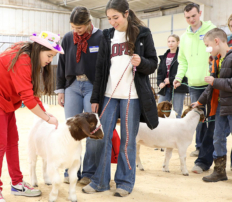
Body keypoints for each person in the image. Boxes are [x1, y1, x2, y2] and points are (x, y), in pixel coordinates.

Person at [0, 31, 64, 202]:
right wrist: (46, 118)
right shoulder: (24, 59)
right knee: (0, 143)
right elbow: (28, 99)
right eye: (49, 55)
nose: (50, 60)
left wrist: (45, 112)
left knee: (12, 141)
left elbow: (29, 92)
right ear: (39, 49)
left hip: (6, 99)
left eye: (53, 57)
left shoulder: (29, 57)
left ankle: (17, 183)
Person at [82, 0, 158, 197]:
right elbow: (100, 69)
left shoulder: (143, 33)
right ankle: (99, 181)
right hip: (108, 95)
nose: (112, 22)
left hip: (131, 97)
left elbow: (152, 63)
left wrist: (141, 62)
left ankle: (124, 182)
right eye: (109, 18)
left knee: (127, 141)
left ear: (126, 14)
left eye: (115, 17)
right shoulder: (107, 36)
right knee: (101, 138)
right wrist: (95, 97)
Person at [56, 6, 103, 185]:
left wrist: (97, 95)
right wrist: (61, 89)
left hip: (92, 86)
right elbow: (61, 64)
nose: (76, 30)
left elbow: (102, 69)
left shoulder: (99, 37)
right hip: (72, 86)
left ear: (89, 23)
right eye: (73, 27)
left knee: (92, 128)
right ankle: (71, 171)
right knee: (72, 129)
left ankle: (89, 173)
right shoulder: (68, 38)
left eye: (80, 27)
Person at [173, 3, 216, 173]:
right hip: (194, 85)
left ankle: (203, 161)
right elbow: (182, 60)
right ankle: (200, 149)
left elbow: (215, 54)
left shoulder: (211, 30)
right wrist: (178, 77)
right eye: (187, 17)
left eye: (193, 16)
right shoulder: (183, 37)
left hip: (210, 83)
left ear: (200, 13)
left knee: (211, 123)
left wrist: (214, 75)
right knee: (199, 122)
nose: (191, 20)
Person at [192, 28, 232, 182]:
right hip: (221, 106)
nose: (206, 49)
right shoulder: (217, 60)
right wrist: (200, 101)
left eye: (207, 45)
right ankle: (220, 171)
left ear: (217, 41)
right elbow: (211, 87)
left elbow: (216, 83)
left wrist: (215, 81)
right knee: (217, 137)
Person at [157, 34, 189, 118]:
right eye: (169, 41)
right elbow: (160, 72)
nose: (170, 43)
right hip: (165, 88)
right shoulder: (164, 57)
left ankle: (178, 130)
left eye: (173, 41)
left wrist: (171, 80)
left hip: (178, 87)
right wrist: (160, 82)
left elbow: (184, 71)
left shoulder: (182, 56)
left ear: (178, 42)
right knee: (160, 109)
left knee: (177, 111)